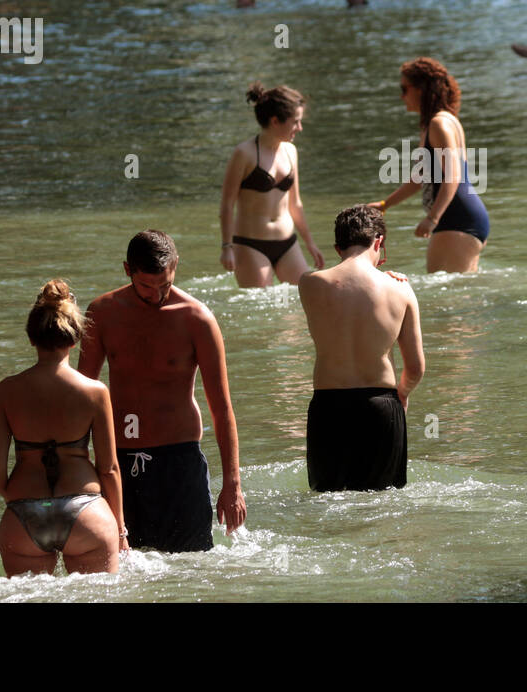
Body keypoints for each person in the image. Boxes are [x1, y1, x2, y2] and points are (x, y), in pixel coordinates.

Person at [77, 231, 246, 552]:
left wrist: (232, 484)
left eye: (165, 285)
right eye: (146, 286)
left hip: (179, 462)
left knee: (192, 568)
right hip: (118, 463)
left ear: (176, 266)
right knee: (122, 568)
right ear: (128, 270)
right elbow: (81, 397)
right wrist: (76, 467)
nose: (156, 296)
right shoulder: (102, 313)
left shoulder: (197, 318)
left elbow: (222, 407)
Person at [0, 280, 125, 575]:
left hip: (23, 515)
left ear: (32, 338)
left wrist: (19, 502)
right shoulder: (95, 391)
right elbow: (109, 468)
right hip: (87, 513)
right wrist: (121, 528)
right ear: (74, 340)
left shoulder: (7, 391)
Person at [297, 206, 424, 492]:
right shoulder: (401, 289)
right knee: (381, 506)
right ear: (378, 242)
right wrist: (401, 395)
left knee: (329, 503)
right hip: (381, 407)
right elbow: (416, 368)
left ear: (337, 247)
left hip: (328, 408)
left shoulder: (308, 284)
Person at [372, 58, 489, 273]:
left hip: (456, 220)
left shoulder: (439, 124)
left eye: (404, 88)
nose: (401, 96)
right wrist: (384, 205)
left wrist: (432, 218)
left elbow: (452, 176)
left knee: (446, 302)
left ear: (421, 90)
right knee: (462, 296)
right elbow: (420, 178)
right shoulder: (442, 121)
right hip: (462, 218)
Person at [220, 83, 325, 286]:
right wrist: (226, 247)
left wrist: (310, 243)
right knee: (262, 309)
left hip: (288, 243)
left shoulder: (291, 151)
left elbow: (295, 203)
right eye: (295, 122)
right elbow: (227, 204)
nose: (299, 128)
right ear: (275, 121)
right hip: (251, 245)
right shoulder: (244, 153)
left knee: (304, 299)